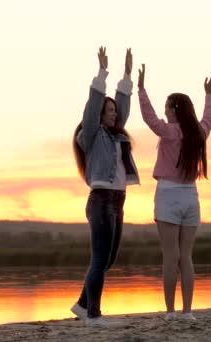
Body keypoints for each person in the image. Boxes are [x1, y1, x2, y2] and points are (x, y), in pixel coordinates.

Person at [137, 63, 211, 321]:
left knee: (170, 256)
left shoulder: (170, 131)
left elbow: (149, 118)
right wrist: (209, 93)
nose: (164, 110)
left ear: (174, 109)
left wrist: (141, 89)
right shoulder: (198, 133)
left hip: (168, 195)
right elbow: (209, 119)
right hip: (190, 197)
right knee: (186, 256)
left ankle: (171, 312)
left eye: (166, 106)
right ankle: (187, 312)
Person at [70, 46, 140, 327]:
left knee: (108, 258)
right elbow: (93, 105)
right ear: (98, 114)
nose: (114, 115)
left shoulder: (114, 137)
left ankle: (83, 304)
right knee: (100, 258)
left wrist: (126, 76)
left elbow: (122, 111)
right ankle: (93, 315)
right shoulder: (91, 135)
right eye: (109, 111)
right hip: (100, 200)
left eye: (114, 111)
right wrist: (102, 72)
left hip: (117, 201)